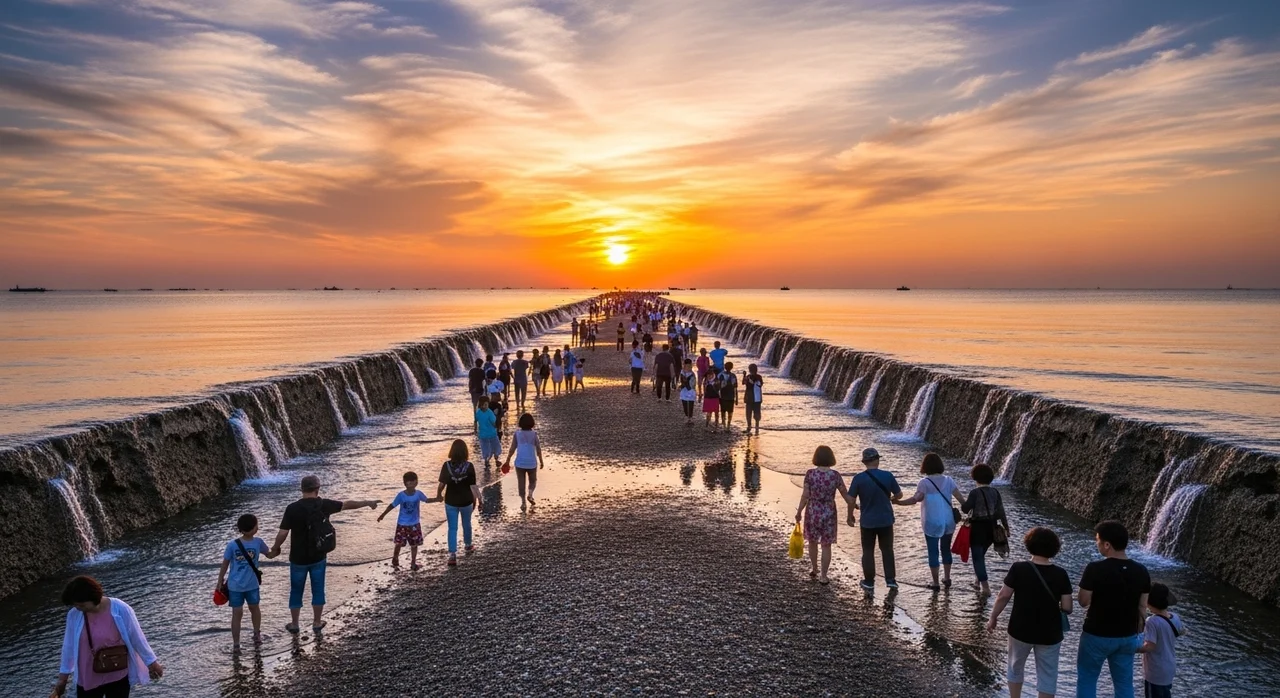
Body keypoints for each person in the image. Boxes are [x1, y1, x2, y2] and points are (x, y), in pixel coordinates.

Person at [271, 475, 379, 634]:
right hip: (318, 555)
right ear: (317, 489)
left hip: (297, 558)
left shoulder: (292, 508)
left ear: (301, 490)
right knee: (318, 588)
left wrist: (275, 548)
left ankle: (295, 624)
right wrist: (367, 503)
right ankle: (316, 622)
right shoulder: (324, 505)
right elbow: (347, 504)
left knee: (296, 590)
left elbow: (283, 532)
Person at [985, 526, 1074, 698]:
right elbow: (1068, 608)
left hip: (1020, 629)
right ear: (1054, 549)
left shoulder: (1019, 568)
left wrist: (993, 617)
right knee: (1047, 675)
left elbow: (1004, 595)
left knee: (1015, 667)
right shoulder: (1061, 574)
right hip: (1050, 633)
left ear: (1029, 545)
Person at [51, 576, 163, 698]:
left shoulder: (120, 609)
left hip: (117, 673)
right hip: (88, 677)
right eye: (75, 605)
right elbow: (69, 647)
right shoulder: (74, 614)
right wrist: (62, 679)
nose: (78, 608)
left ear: (93, 597)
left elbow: (137, 637)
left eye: (81, 605)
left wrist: (152, 663)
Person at [1076, 520, 1151, 698]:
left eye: (1098, 540)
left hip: (1096, 635)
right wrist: (1137, 634)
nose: (1097, 544)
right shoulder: (1141, 571)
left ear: (1107, 544)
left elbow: (1083, 601)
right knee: (1124, 684)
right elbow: (1142, 607)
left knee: (1087, 679)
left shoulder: (1095, 568)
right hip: (1127, 636)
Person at [893, 453, 965, 591]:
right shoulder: (949, 481)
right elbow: (962, 500)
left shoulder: (924, 483)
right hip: (949, 522)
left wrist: (898, 502)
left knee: (933, 552)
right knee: (946, 550)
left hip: (932, 522)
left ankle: (936, 582)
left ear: (925, 466)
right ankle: (948, 578)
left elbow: (915, 499)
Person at [216, 514, 278, 651]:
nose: (258, 526)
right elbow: (225, 563)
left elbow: (224, 564)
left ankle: (245, 640)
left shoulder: (251, 543)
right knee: (248, 610)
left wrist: (219, 581)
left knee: (244, 611)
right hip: (242, 586)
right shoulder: (241, 544)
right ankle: (245, 639)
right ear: (253, 528)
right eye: (257, 524)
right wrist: (277, 549)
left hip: (243, 585)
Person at [795, 446, 853, 585]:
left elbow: (805, 496)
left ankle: (814, 568)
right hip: (829, 511)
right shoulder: (835, 475)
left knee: (813, 542)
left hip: (813, 510)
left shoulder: (810, 474)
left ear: (816, 458)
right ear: (831, 458)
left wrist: (799, 512)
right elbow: (846, 495)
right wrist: (853, 507)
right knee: (826, 545)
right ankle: (824, 576)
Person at [848, 447, 901, 591]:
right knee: (887, 550)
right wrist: (892, 498)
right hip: (886, 520)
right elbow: (899, 495)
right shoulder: (888, 476)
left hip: (867, 521)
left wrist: (850, 515)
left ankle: (869, 581)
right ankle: (890, 580)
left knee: (868, 551)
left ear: (864, 462)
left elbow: (851, 500)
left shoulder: (858, 478)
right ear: (877, 460)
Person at [962, 463, 1009, 596]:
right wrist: (1006, 528)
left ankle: (986, 588)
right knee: (981, 555)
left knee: (977, 558)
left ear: (975, 477)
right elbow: (1001, 511)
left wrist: (962, 502)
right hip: (991, 528)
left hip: (978, 528)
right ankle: (977, 582)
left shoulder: (974, 493)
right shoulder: (995, 492)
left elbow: (966, 509)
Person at [437, 440, 483, 566]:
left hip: (451, 501)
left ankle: (452, 555)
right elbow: (473, 486)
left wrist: (438, 495)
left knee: (452, 528)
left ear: (452, 451)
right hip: (466, 500)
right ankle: (468, 545)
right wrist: (480, 499)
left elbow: (441, 484)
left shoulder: (446, 466)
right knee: (466, 523)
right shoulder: (469, 466)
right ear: (465, 452)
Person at [377, 471, 435, 571]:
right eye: (409, 482)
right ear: (405, 483)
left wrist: (437, 499)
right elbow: (392, 505)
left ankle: (413, 562)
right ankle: (395, 558)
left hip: (414, 524)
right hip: (402, 524)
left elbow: (427, 500)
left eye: (413, 481)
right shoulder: (401, 495)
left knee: (414, 544)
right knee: (398, 543)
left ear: (416, 482)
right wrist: (383, 515)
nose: (411, 484)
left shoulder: (418, 494)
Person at [1138, 583, 1185, 698]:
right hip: (1169, 667)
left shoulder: (1152, 622)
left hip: (1155, 671)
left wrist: (1131, 647)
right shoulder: (1175, 617)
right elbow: (1182, 631)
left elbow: (1150, 646)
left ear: (1148, 601)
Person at [503, 413, 545, 510]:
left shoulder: (517, 434)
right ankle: (530, 494)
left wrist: (508, 460)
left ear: (520, 423)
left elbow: (512, 448)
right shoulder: (534, 434)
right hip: (531, 462)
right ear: (532, 423)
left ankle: (523, 503)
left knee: (521, 483)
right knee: (533, 481)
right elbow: (538, 449)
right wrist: (541, 461)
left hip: (520, 463)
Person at [476, 398, 500, 467]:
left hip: (487, 434)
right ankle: (492, 461)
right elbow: (494, 423)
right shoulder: (486, 412)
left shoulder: (481, 412)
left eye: (486, 405)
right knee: (492, 448)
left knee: (489, 448)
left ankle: (491, 460)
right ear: (481, 405)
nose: (485, 406)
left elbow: (476, 421)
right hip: (488, 434)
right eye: (484, 405)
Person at [742, 364, 764, 433]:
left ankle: (753, 426)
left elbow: (756, 383)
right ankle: (753, 427)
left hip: (753, 397)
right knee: (753, 413)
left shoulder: (758, 377)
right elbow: (743, 382)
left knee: (751, 413)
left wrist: (747, 378)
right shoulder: (750, 376)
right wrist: (744, 376)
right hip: (753, 398)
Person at [718, 362, 738, 429]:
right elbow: (735, 387)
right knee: (730, 411)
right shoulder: (733, 376)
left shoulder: (721, 375)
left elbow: (719, 387)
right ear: (731, 367)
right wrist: (736, 398)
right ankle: (728, 425)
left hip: (723, 396)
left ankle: (724, 425)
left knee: (723, 411)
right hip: (730, 396)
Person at [678, 358, 698, 423]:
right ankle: (687, 416)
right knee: (685, 404)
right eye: (687, 366)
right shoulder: (682, 373)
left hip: (691, 391)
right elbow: (681, 381)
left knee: (691, 404)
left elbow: (693, 384)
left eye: (690, 366)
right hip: (684, 391)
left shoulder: (692, 374)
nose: (689, 367)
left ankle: (690, 417)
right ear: (684, 365)